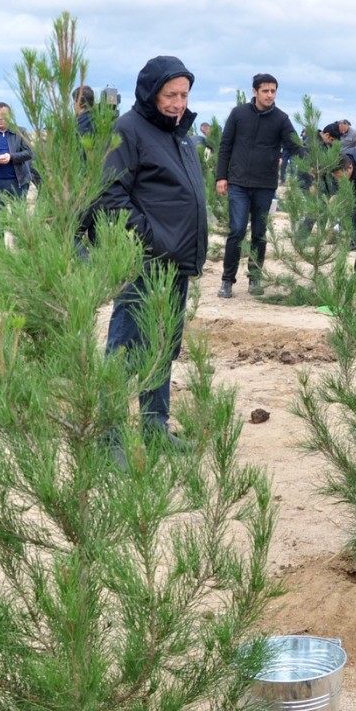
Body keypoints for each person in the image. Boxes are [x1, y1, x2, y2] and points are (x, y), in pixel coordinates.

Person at [97, 56, 207, 437]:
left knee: (162, 346)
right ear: (150, 93)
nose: (179, 102)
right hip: (143, 263)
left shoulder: (179, 134)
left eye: (184, 94)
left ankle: (154, 428)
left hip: (175, 262)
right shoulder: (128, 130)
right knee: (124, 350)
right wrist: (151, 240)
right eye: (170, 94)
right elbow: (110, 196)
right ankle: (107, 434)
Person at [215, 73, 304, 298]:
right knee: (236, 230)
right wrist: (221, 177)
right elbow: (225, 145)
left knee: (259, 233)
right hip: (238, 183)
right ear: (255, 92)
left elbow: (294, 147)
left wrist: (315, 160)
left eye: (273, 91)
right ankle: (227, 281)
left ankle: (255, 279)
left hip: (265, 185)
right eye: (265, 91)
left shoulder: (281, 119)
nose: (270, 95)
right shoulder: (238, 114)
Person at [0, 102, 34, 219]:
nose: (1, 118)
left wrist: (11, 157)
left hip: (18, 182)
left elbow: (29, 152)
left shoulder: (20, 131)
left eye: (4, 115)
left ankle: (19, 238)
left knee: (19, 219)